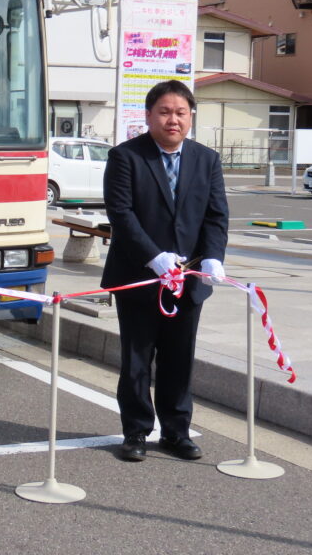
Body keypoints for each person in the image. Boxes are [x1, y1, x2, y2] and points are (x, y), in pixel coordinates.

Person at [101, 79, 228, 462]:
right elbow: (121, 214)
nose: (173, 119)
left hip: (188, 280)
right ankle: (136, 432)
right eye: (165, 111)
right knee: (138, 359)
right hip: (139, 276)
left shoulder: (207, 159)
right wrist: (154, 257)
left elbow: (216, 216)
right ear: (149, 115)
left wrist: (212, 256)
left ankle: (177, 432)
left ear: (190, 117)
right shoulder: (126, 157)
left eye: (181, 112)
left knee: (179, 358)